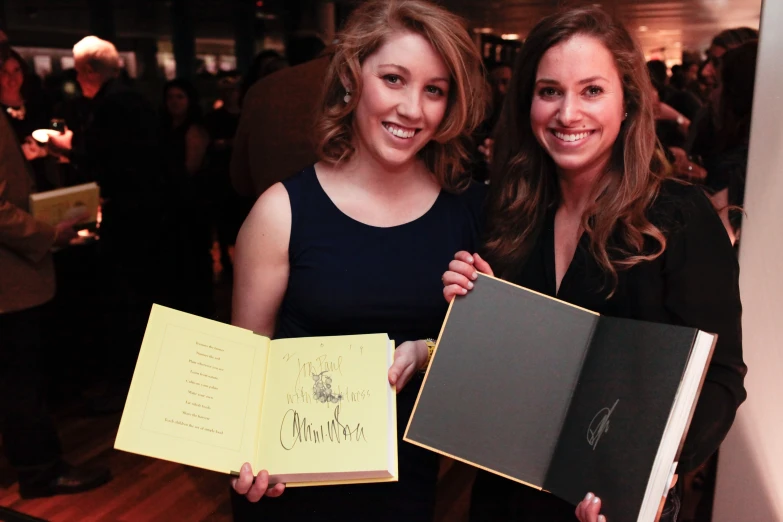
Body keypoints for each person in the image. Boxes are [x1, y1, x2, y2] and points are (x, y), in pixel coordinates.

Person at [441, 6, 745, 522]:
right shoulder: (510, 212)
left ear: (628, 101)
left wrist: (652, 472)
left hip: (615, 504)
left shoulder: (678, 217)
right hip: (509, 496)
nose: (567, 114)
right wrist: (479, 314)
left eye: (592, 90)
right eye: (549, 91)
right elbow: (506, 375)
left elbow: (721, 376)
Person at [229, 0, 487, 520]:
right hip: (289, 492)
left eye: (434, 90)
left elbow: (482, 371)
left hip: (406, 491)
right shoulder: (281, 212)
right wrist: (240, 460)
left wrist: (433, 348)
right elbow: (243, 377)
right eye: (394, 79)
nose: (412, 109)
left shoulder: (468, 213)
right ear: (352, 78)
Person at [0, 34, 111, 497]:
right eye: (6, 72)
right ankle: (41, 471)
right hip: (10, 279)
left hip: (17, 274)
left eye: (16, 71)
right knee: (21, 379)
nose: (15, 81)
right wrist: (49, 233)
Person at [46, 35, 162, 413]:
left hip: (131, 219)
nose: (78, 81)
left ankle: (126, 388)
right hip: (150, 217)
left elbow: (107, 162)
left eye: (79, 72)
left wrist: (66, 149)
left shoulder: (112, 104)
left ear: (90, 70)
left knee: (124, 301)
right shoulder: (133, 97)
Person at [159, 78, 213, 317]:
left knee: (192, 254)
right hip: (170, 201)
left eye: (179, 97)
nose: (174, 102)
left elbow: (190, 168)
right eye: (170, 97)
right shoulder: (163, 127)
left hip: (189, 202)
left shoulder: (193, 130)